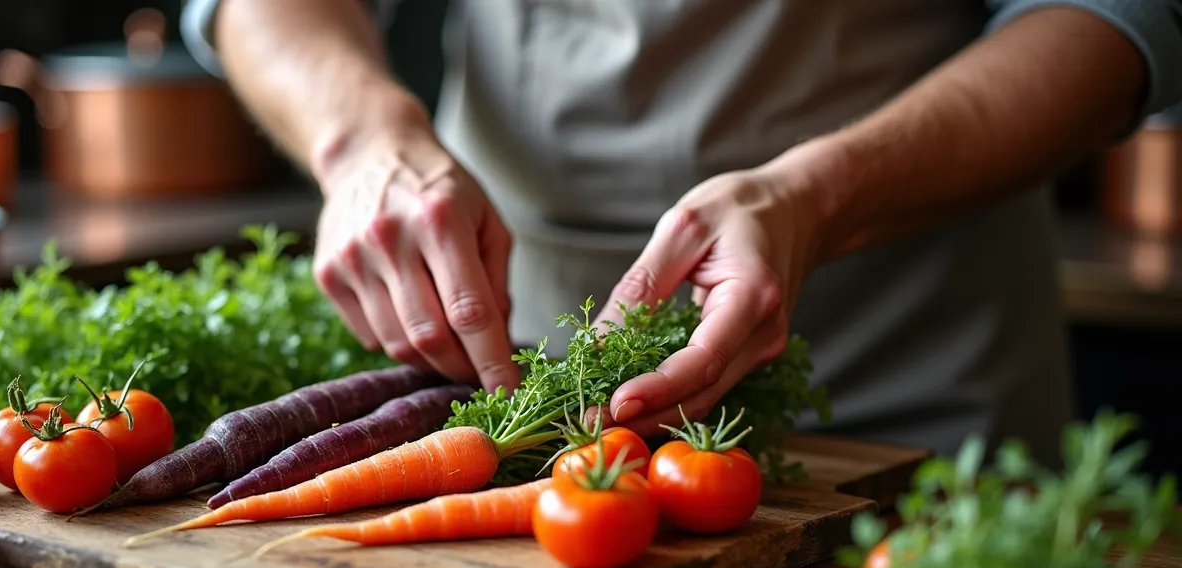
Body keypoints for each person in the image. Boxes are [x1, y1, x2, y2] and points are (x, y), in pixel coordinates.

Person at [181, 0, 1182, 464]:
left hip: (912, 376)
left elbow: (1119, 17)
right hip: (535, 397)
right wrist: (361, 139)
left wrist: (813, 196)